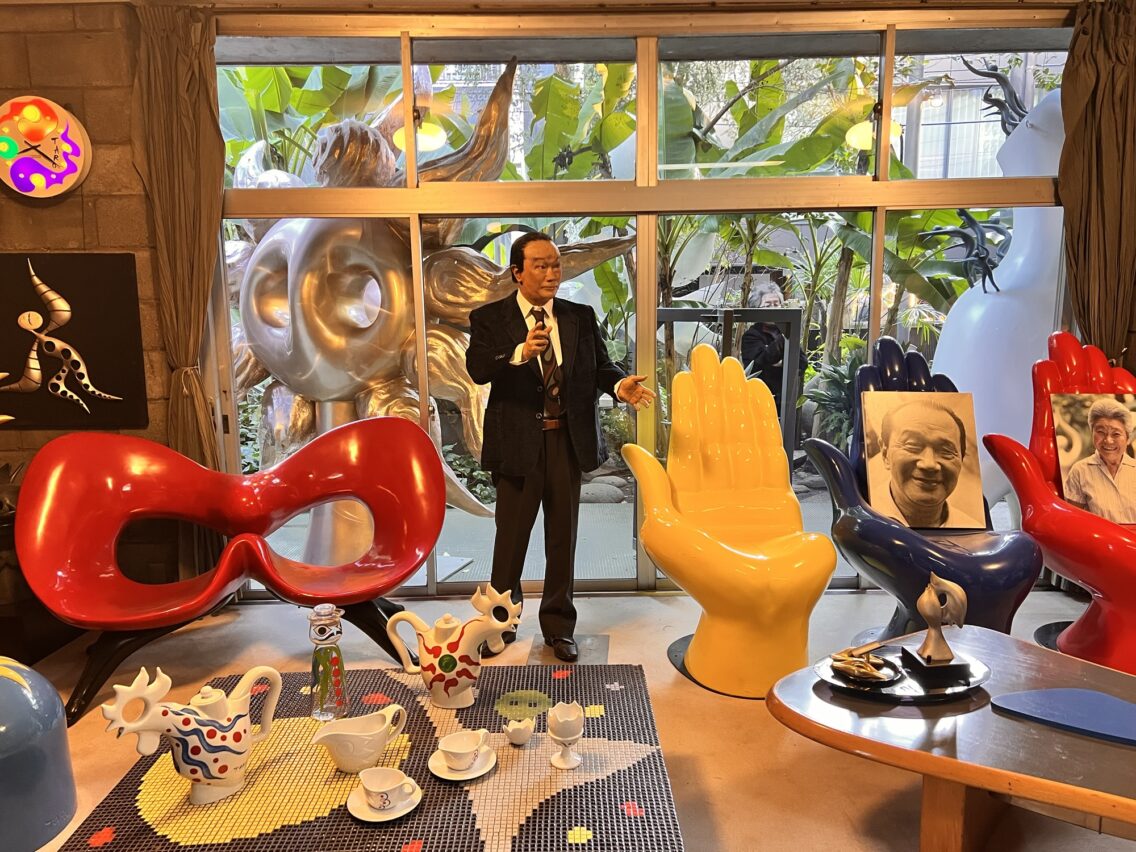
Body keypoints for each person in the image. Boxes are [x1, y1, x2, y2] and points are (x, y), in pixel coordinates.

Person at [465, 233, 655, 662]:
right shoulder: (489, 318)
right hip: (517, 445)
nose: (552, 273)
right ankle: (500, 624)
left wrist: (619, 385)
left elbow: (600, 367)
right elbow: (477, 369)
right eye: (541, 265)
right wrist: (519, 351)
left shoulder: (578, 316)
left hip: (566, 442)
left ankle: (558, 628)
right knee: (510, 541)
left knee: (561, 540)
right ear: (517, 272)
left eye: (556, 264)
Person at [873, 398, 984, 529]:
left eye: (946, 451)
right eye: (912, 445)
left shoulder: (972, 530)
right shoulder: (860, 518)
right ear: (885, 453)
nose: (929, 464)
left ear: (961, 459)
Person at [1064, 397, 1136, 524]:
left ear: (1128, 438)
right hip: (1096, 537)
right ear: (1092, 433)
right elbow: (1073, 523)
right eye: (1101, 432)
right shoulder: (1080, 471)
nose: (1108, 440)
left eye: (1116, 434)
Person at [740, 283, 807, 414]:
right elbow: (760, 362)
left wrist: (778, 361)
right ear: (757, 309)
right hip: (760, 400)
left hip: (786, 400)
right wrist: (783, 341)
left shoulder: (785, 331)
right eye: (768, 305)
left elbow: (802, 363)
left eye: (776, 304)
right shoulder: (751, 336)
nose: (773, 309)